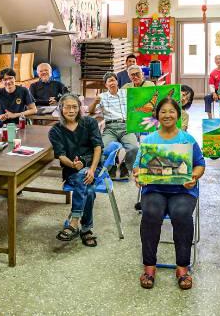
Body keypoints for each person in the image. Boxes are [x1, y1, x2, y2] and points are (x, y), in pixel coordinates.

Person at [134, 98, 206, 290]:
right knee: (150, 214)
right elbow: (137, 167)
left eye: (171, 111)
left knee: (181, 214)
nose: (167, 115)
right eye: (163, 111)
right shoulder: (149, 140)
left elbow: (200, 164)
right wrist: (138, 176)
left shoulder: (187, 139)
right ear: (157, 115)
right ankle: (149, 266)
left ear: (178, 115)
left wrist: (195, 176)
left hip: (183, 189)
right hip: (154, 189)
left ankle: (182, 267)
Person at [50, 94, 102, 247]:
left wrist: (92, 169)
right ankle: (86, 229)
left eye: (74, 107)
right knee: (90, 190)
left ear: (80, 108)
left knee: (84, 176)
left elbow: (97, 148)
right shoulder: (55, 131)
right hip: (72, 171)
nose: (71, 110)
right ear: (61, 108)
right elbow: (61, 156)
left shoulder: (90, 123)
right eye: (67, 107)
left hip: (93, 165)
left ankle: (73, 223)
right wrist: (73, 165)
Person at [89, 72, 138, 179]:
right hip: (110, 128)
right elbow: (91, 111)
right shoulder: (102, 97)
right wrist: (94, 102)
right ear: (106, 85)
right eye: (109, 81)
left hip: (126, 126)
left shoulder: (126, 93)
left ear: (117, 82)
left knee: (134, 148)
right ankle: (111, 167)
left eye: (113, 80)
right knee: (103, 149)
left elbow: (139, 102)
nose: (112, 83)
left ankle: (126, 166)